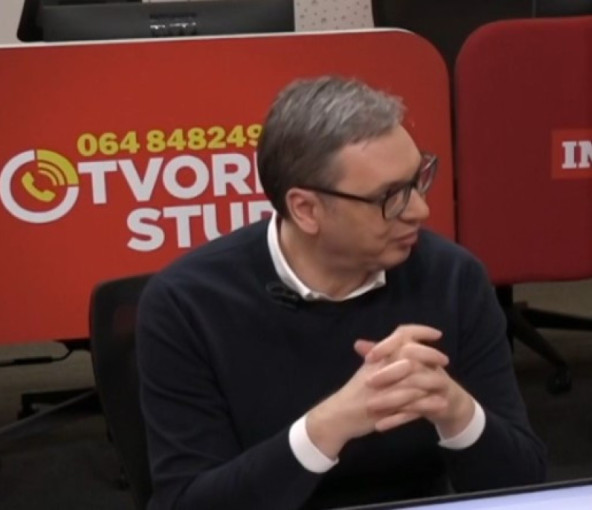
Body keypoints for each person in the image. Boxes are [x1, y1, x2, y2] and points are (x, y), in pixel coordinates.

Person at [136, 76, 546, 510]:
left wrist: (457, 410)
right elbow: (188, 502)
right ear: (306, 209)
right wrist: (327, 427)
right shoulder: (186, 305)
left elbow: (525, 484)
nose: (420, 210)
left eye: (418, 180)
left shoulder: (453, 278)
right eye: (390, 196)